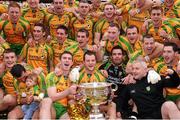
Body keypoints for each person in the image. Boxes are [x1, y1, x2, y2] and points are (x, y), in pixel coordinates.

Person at [68, 51, 116, 119]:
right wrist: (78, 96)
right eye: (88, 61)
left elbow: (106, 93)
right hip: (82, 105)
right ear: (84, 62)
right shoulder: (77, 75)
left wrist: (110, 95)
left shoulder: (101, 75)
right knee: (71, 102)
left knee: (113, 105)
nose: (91, 63)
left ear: (96, 62)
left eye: (93, 60)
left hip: (98, 105)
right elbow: (69, 95)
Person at [39, 51, 77, 119]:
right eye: (64, 58)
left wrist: (76, 96)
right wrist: (68, 91)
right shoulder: (52, 76)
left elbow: (71, 96)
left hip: (64, 109)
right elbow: (52, 97)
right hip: (52, 107)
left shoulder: (74, 76)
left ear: (72, 63)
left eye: (69, 59)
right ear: (60, 61)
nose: (67, 60)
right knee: (46, 100)